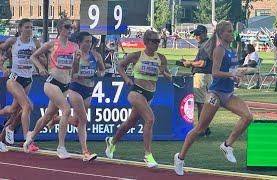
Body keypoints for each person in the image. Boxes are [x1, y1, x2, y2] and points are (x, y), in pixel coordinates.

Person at [174, 20, 253, 176]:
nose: (232, 34)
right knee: (200, 129)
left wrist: (236, 75)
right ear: (221, 34)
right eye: (229, 31)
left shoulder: (232, 50)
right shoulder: (219, 50)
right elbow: (215, 72)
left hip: (228, 94)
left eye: (232, 31)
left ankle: (227, 145)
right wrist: (232, 74)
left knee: (248, 116)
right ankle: (180, 157)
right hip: (215, 94)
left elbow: (231, 70)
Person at [104, 30, 172, 168]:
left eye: (159, 41)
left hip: (149, 94)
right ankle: (148, 155)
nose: (157, 44)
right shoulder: (136, 55)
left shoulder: (161, 58)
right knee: (150, 119)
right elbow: (120, 66)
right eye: (154, 41)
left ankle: (112, 141)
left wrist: (163, 72)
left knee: (130, 122)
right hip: (136, 91)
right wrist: (126, 78)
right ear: (146, 42)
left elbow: (169, 77)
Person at [23, 18, 79, 159]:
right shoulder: (51, 44)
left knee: (48, 116)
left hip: (65, 85)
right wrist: (41, 68)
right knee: (66, 110)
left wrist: (77, 61)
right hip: (52, 83)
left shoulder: (74, 46)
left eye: (71, 27)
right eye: (67, 27)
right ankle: (61, 147)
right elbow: (33, 57)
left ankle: (30, 138)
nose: (69, 29)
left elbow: (75, 70)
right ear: (60, 29)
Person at [46, 32, 105, 161]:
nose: (88, 44)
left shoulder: (96, 55)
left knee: (78, 121)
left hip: (89, 90)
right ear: (80, 43)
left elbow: (102, 70)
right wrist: (76, 74)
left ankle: (57, 119)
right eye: (86, 42)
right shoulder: (74, 55)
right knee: (84, 120)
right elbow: (68, 72)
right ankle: (85, 152)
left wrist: (100, 73)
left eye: (90, 42)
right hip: (75, 89)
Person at [0, 18, 42, 147]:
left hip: (28, 79)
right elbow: (1, 49)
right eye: (27, 27)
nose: (29, 30)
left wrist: (41, 65)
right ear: (20, 29)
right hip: (14, 79)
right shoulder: (14, 41)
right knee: (27, 106)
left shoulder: (35, 42)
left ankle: (9, 129)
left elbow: (41, 57)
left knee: (14, 109)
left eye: (31, 27)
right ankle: (27, 140)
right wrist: (3, 67)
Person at [183, 25, 212, 136]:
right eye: (195, 34)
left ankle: (201, 129)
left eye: (198, 34)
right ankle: (205, 128)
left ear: (204, 33)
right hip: (207, 76)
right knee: (206, 105)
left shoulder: (205, 45)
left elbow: (202, 63)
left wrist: (189, 63)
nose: (196, 36)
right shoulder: (208, 44)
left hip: (201, 76)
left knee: (201, 105)